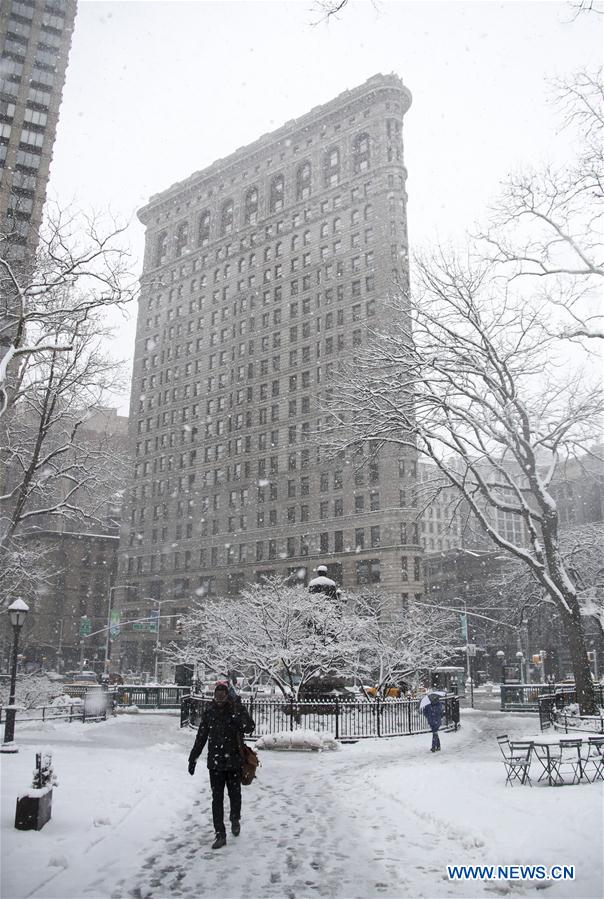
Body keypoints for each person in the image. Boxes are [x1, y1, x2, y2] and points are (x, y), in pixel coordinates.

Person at [188, 681, 255, 849]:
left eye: (222, 695)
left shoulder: (235, 710)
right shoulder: (209, 712)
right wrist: (193, 758)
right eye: (217, 695)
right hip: (216, 764)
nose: (219, 698)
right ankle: (220, 833)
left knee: (235, 795)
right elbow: (201, 737)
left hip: (233, 762)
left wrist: (239, 710)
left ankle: (235, 818)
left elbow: (249, 727)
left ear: (227, 695)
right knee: (216, 799)